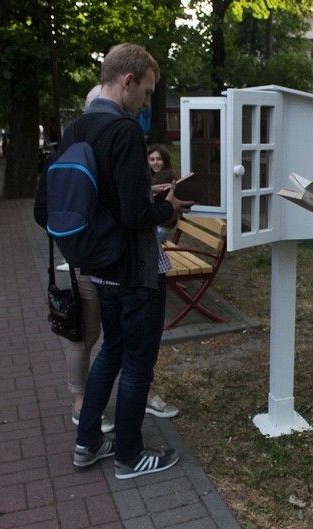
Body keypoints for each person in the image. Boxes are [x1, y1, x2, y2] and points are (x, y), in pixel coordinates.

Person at [61, 43, 192, 479]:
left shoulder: (77, 128)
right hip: (135, 268)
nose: (148, 102)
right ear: (128, 80)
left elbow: (89, 198)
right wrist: (169, 207)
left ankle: (87, 443)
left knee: (111, 352)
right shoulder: (124, 130)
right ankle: (130, 455)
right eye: (148, 92)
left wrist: (141, 196)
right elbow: (135, 215)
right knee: (137, 363)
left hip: (98, 265)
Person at [148, 145, 179, 243]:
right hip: (159, 221)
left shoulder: (165, 175)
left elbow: (142, 189)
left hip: (163, 224)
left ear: (165, 160)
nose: (155, 162)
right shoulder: (154, 174)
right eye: (152, 160)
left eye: (159, 159)